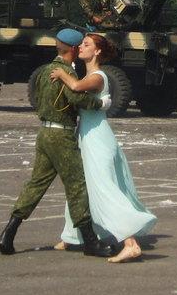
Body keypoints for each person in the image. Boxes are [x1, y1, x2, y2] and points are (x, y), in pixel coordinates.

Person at [0, 29, 113, 257]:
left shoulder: (44, 71)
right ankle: (90, 242)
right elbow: (76, 97)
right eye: (79, 46)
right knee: (77, 186)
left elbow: (37, 98)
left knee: (36, 184)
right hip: (61, 135)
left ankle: (8, 233)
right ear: (73, 49)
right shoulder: (66, 72)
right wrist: (101, 104)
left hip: (45, 132)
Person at [50, 34, 157, 263]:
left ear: (97, 51)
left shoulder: (98, 76)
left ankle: (131, 243)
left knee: (103, 189)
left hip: (98, 139)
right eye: (81, 43)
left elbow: (76, 87)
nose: (81, 47)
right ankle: (71, 236)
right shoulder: (88, 74)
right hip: (87, 136)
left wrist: (61, 73)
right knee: (81, 187)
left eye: (86, 44)